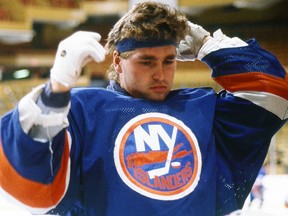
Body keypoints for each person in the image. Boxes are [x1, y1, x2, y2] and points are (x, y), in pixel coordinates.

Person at [0, 2, 287, 216]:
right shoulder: (82, 109)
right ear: (117, 61)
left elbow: (274, 93)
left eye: (169, 60)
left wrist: (207, 44)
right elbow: (26, 164)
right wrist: (57, 88)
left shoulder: (203, 106)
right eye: (147, 61)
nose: (160, 74)